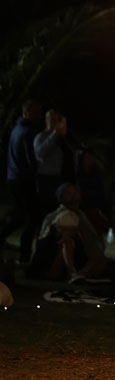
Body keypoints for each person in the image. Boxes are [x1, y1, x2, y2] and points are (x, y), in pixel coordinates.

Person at [30, 183, 109, 283]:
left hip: (79, 254)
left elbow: (91, 241)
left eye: (75, 193)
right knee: (67, 240)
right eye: (69, 193)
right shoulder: (61, 215)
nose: (74, 196)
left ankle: (80, 274)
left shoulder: (80, 215)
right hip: (53, 257)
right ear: (61, 198)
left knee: (101, 260)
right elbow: (56, 238)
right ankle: (72, 272)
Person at [1, 99, 43, 264]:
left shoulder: (16, 130)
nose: (39, 115)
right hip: (24, 179)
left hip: (14, 177)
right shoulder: (28, 132)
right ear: (27, 113)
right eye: (36, 112)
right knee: (32, 218)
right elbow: (30, 159)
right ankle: (25, 255)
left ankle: (4, 234)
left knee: (22, 214)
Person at [34, 109, 75, 235]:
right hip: (47, 180)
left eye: (57, 120)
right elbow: (40, 153)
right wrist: (55, 134)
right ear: (46, 121)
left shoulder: (64, 139)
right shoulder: (41, 136)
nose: (55, 123)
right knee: (48, 214)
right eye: (52, 120)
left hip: (62, 180)